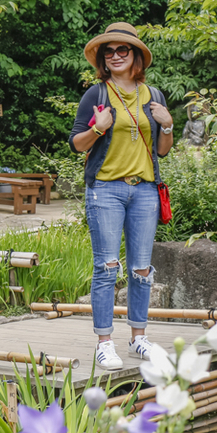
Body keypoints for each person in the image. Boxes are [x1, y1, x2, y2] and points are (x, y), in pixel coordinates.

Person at [69, 22, 175, 371]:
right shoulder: (96, 95)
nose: (114, 56)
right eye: (108, 52)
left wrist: (169, 124)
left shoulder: (154, 97)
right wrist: (97, 128)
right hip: (106, 189)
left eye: (122, 51)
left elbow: (162, 151)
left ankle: (139, 338)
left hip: (144, 190)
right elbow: (76, 144)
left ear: (136, 57)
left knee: (142, 269)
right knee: (106, 267)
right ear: (103, 59)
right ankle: (104, 343)